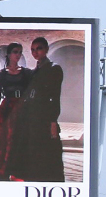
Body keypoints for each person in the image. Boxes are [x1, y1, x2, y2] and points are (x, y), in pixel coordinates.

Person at [8, 37, 65, 182]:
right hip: (31, 118)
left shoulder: (54, 68)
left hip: (45, 118)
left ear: (46, 49)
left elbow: (54, 96)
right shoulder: (33, 72)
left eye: (38, 48)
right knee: (32, 153)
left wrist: (53, 122)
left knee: (48, 153)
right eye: (33, 50)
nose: (35, 52)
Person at [0, 43, 32, 175]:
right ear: (8, 54)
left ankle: (18, 170)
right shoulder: (0, 74)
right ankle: (5, 170)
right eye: (15, 52)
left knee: (19, 138)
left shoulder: (26, 72)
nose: (18, 55)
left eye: (20, 52)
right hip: (6, 108)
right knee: (5, 139)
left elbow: (30, 93)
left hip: (22, 108)